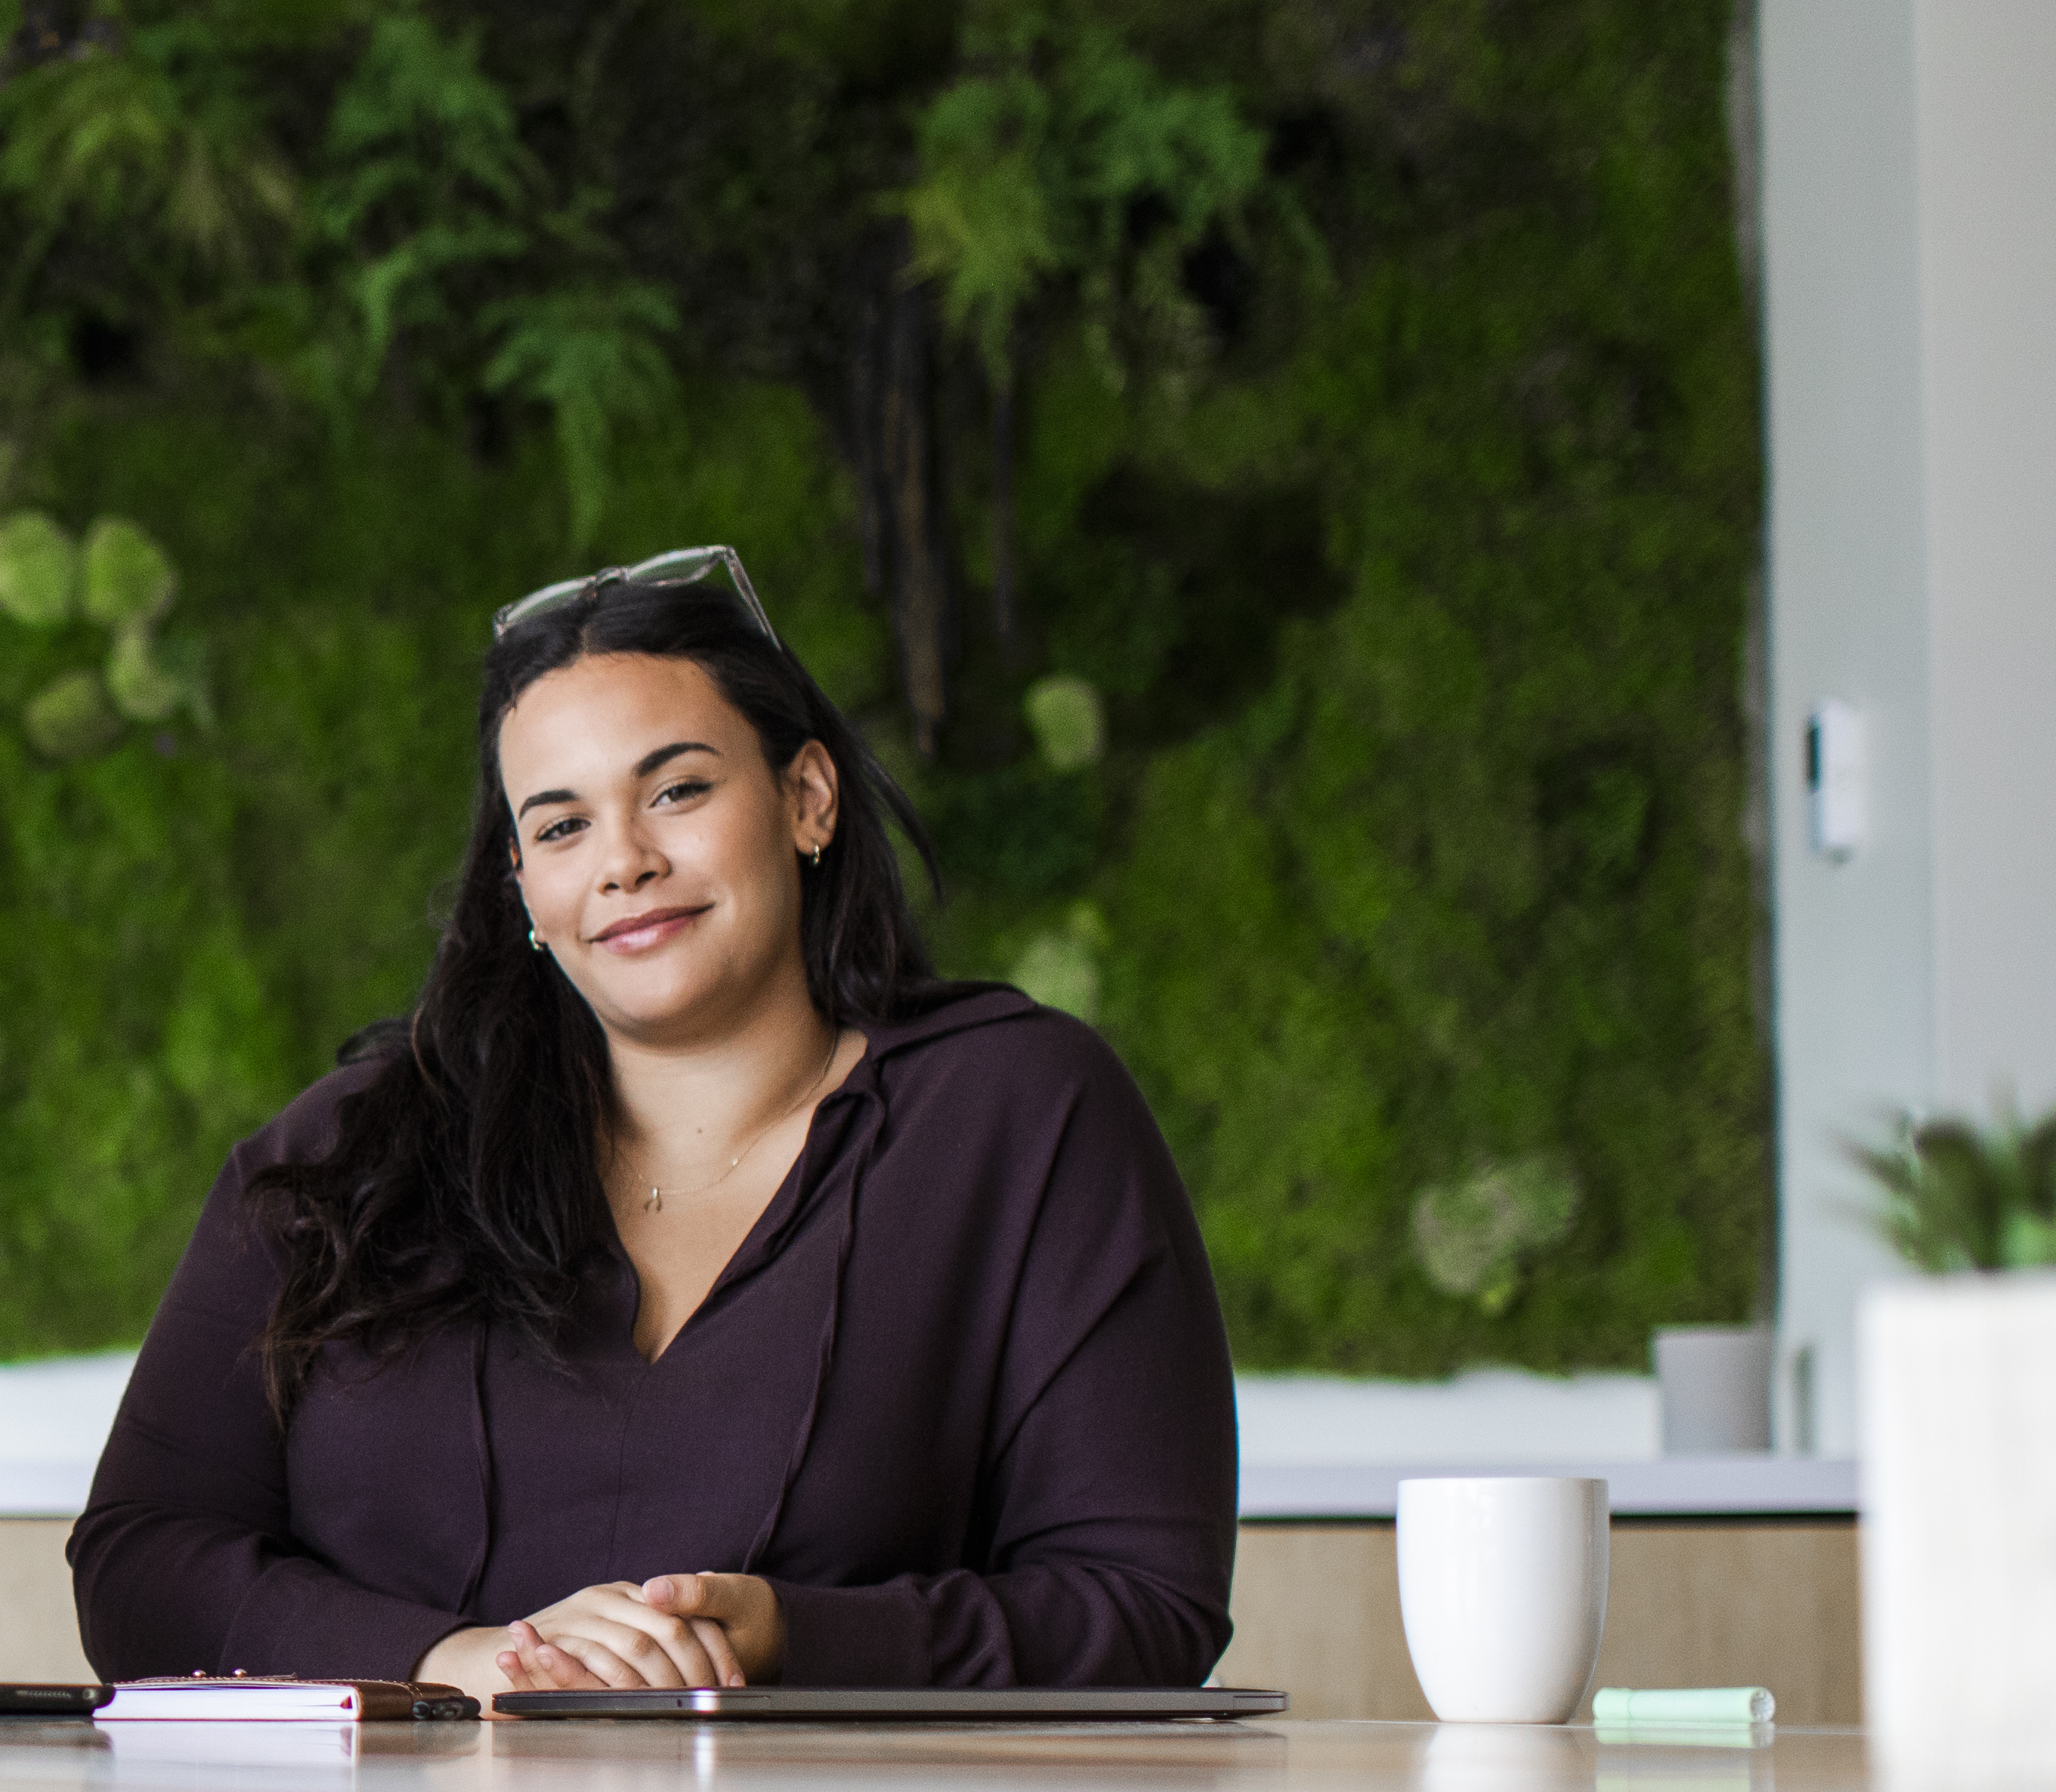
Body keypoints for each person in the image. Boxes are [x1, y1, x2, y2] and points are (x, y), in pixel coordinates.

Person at [71, 546, 1232, 1697]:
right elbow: (138, 1564)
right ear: (522, 883)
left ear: (807, 799)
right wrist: (457, 1665)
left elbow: (1147, 1603)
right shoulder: (347, 1153)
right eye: (563, 826)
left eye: (677, 790)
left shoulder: (1024, 1116)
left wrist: (786, 1637)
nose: (624, 861)